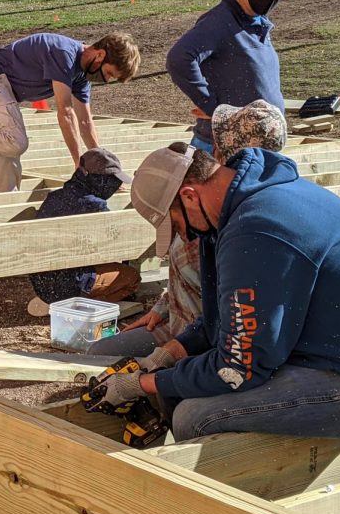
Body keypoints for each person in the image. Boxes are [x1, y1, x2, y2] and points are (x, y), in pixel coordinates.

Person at [83, 141, 340, 441]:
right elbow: (225, 319)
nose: (184, 237)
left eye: (177, 225)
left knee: (196, 418)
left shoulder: (259, 229)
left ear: (189, 195)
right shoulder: (243, 207)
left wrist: (141, 384)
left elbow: (239, 367)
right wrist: (170, 352)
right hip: (331, 356)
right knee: (177, 386)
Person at [88, 99, 286, 357]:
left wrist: (169, 363)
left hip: (205, 345)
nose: (212, 148)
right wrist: (163, 308)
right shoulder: (208, 206)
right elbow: (189, 281)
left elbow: (231, 331)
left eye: (218, 143)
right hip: (179, 325)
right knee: (99, 355)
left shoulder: (231, 228)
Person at [0, 32, 141, 193]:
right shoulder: (64, 53)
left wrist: (100, 167)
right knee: (16, 141)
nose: (106, 79)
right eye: (109, 73)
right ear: (100, 55)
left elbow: (85, 123)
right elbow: (64, 112)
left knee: (5, 152)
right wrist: (80, 165)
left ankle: (3, 204)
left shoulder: (82, 76)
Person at [166, 0, 293, 153]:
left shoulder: (258, 24)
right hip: (221, 148)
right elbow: (179, 58)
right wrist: (214, 109)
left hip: (254, 148)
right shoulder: (221, 22)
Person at [27, 148, 141, 316]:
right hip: (70, 284)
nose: (114, 185)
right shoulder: (94, 206)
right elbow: (114, 242)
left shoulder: (55, 197)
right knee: (132, 277)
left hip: (42, 282)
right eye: (111, 180)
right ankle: (76, 306)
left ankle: (55, 301)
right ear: (99, 179)